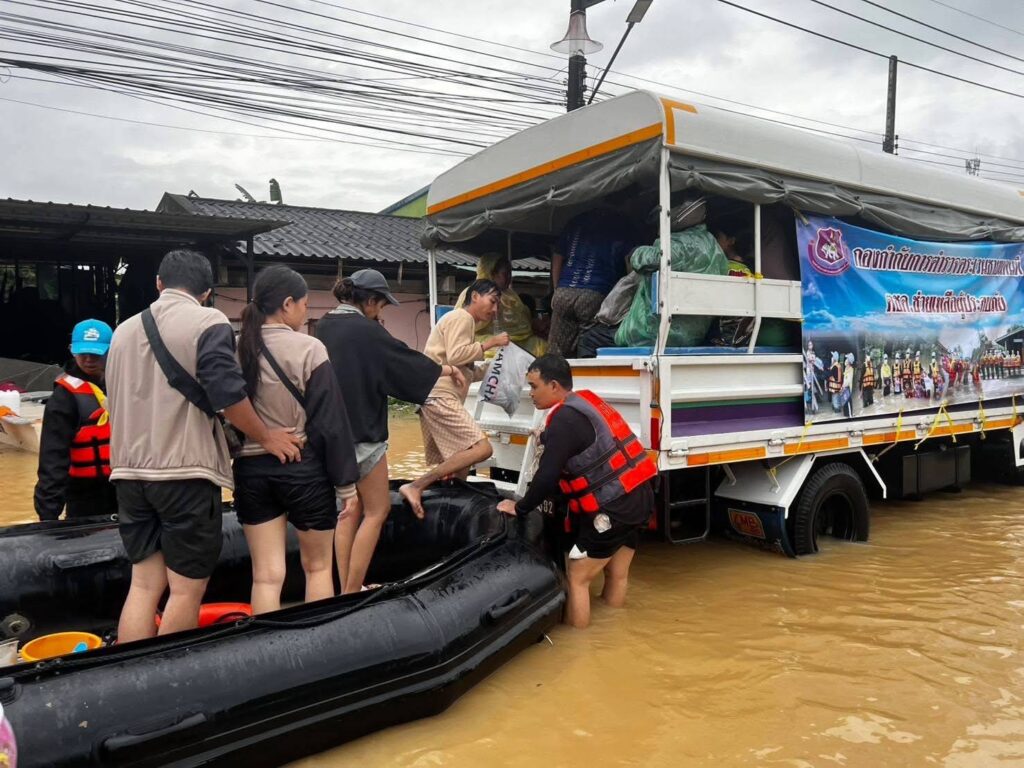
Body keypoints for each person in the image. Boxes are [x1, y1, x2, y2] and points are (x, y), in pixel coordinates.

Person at [106, 249, 302, 643]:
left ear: (159, 284)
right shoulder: (208, 321)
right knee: (185, 589)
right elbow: (227, 395)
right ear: (208, 293)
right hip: (183, 474)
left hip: (127, 474)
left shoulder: (122, 332)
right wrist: (267, 436)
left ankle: (129, 675)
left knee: (144, 586)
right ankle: (167, 675)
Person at [317, 269, 464, 593]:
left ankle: (342, 586)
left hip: (328, 437)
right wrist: (449, 368)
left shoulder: (323, 326)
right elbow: (406, 363)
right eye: (380, 306)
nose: (380, 313)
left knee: (348, 510)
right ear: (369, 300)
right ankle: (352, 590)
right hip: (363, 436)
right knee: (377, 510)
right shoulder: (368, 332)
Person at [496, 354, 656, 629]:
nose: (530, 394)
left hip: (614, 506)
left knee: (577, 575)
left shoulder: (564, 420)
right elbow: (579, 441)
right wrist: (544, 436)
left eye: (534, 386)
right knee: (617, 574)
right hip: (638, 495)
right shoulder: (584, 403)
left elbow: (546, 478)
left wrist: (519, 507)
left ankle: (578, 645)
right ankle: (612, 632)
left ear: (554, 386)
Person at [234, 266, 360, 613]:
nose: (306, 312)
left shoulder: (237, 347)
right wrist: (346, 486)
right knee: (318, 567)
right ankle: (317, 652)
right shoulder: (309, 349)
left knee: (265, 577)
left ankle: (268, 650)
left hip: (251, 470)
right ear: (288, 304)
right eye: (305, 304)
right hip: (301, 467)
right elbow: (330, 423)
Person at [399, 279, 509, 518]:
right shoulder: (462, 318)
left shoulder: (462, 322)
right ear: (475, 296)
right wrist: (491, 343)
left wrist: (494, 367)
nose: (494, 310)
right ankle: (416, 485)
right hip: (440, 395)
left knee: (461, 461)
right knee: (482, 448)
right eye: (492, 301)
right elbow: (458, 355)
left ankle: (452, 512)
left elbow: (465, 368)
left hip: (435, 396)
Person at [33, 318, 118, 522]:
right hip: (84, 497)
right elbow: (52, 460)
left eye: (96, 353)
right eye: (83, 352)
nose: (89, 359)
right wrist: (48, 515)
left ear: (113, 349)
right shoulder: (64, 399)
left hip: (126, 492)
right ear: (72, 350)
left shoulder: (125, 384)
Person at [549, 209, 636, 357]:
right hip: (594, 294)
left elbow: (557, 256)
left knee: (556, 349)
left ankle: (550, 376)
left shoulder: (576, 220)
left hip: (563, 292)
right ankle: (583, 376)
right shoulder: (621, 224)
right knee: (587, 343)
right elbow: (629, 262)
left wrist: (556, 288)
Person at [456, 253, 547, 357]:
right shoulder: (474, 292)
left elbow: (522, 318)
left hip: (519, 339)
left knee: (543, 347)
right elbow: (465, 326)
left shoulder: (510, 294)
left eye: (510, 273)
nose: (509, 277)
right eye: (505, 274)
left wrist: (536, 324)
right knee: (502, 353)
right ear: (492, 273)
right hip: (488, 339)